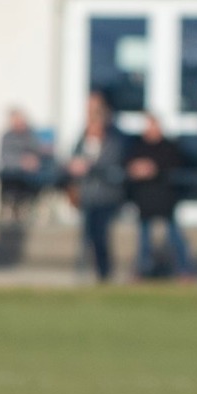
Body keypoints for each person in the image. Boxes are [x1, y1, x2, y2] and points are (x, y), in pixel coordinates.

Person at [64, 95, 125, 283]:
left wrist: (89, 166)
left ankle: (104, 272)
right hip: (87, 195)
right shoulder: (82, 140)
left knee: (100, 235)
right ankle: (86, 271)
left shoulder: (113, 141)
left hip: (106, 196)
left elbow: (112, 163)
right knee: (87, 235)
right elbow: (72, 158)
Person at [123, 114, 191, 279]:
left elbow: (176, 165)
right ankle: (143, 271)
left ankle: (186, 270)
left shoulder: (169, 146)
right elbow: (127, 164)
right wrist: (135, 169)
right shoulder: (137, 146)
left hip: (165, 198)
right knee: (144, 239)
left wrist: (154, 168)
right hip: (144, 199)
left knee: (174, 236)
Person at [0, 108, 51, 225]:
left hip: (31, 173)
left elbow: (39, 152)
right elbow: (5, 157)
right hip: (13, 173)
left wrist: (34, 161)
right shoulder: (7, 137)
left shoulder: (31, 135)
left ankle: (29, 207)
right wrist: (21, 162)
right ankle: (11, 208)